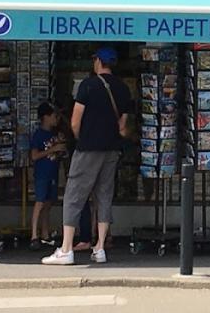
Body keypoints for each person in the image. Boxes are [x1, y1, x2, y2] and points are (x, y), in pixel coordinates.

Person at [43, 47, 131, 265]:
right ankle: (100, 247)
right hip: (112, 149)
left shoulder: (87, 86)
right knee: (104, 195)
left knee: (74, 195)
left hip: (88, 148)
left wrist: (81, 137)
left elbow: (75, 120)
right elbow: (122, 125)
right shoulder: (123, 89)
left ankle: (66, 249)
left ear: (99, 61)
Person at [29, 101, 66, 250]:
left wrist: (61, 148)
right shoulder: (39, 135)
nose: (56, 119)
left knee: (49, 203)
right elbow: (34, 156)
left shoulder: (54, 134)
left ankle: (45, 234)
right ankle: (34, 235)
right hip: (42, 172)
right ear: (46, 117)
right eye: (54, 116)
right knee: (40, 202)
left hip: (53, 172)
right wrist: (53, 150)